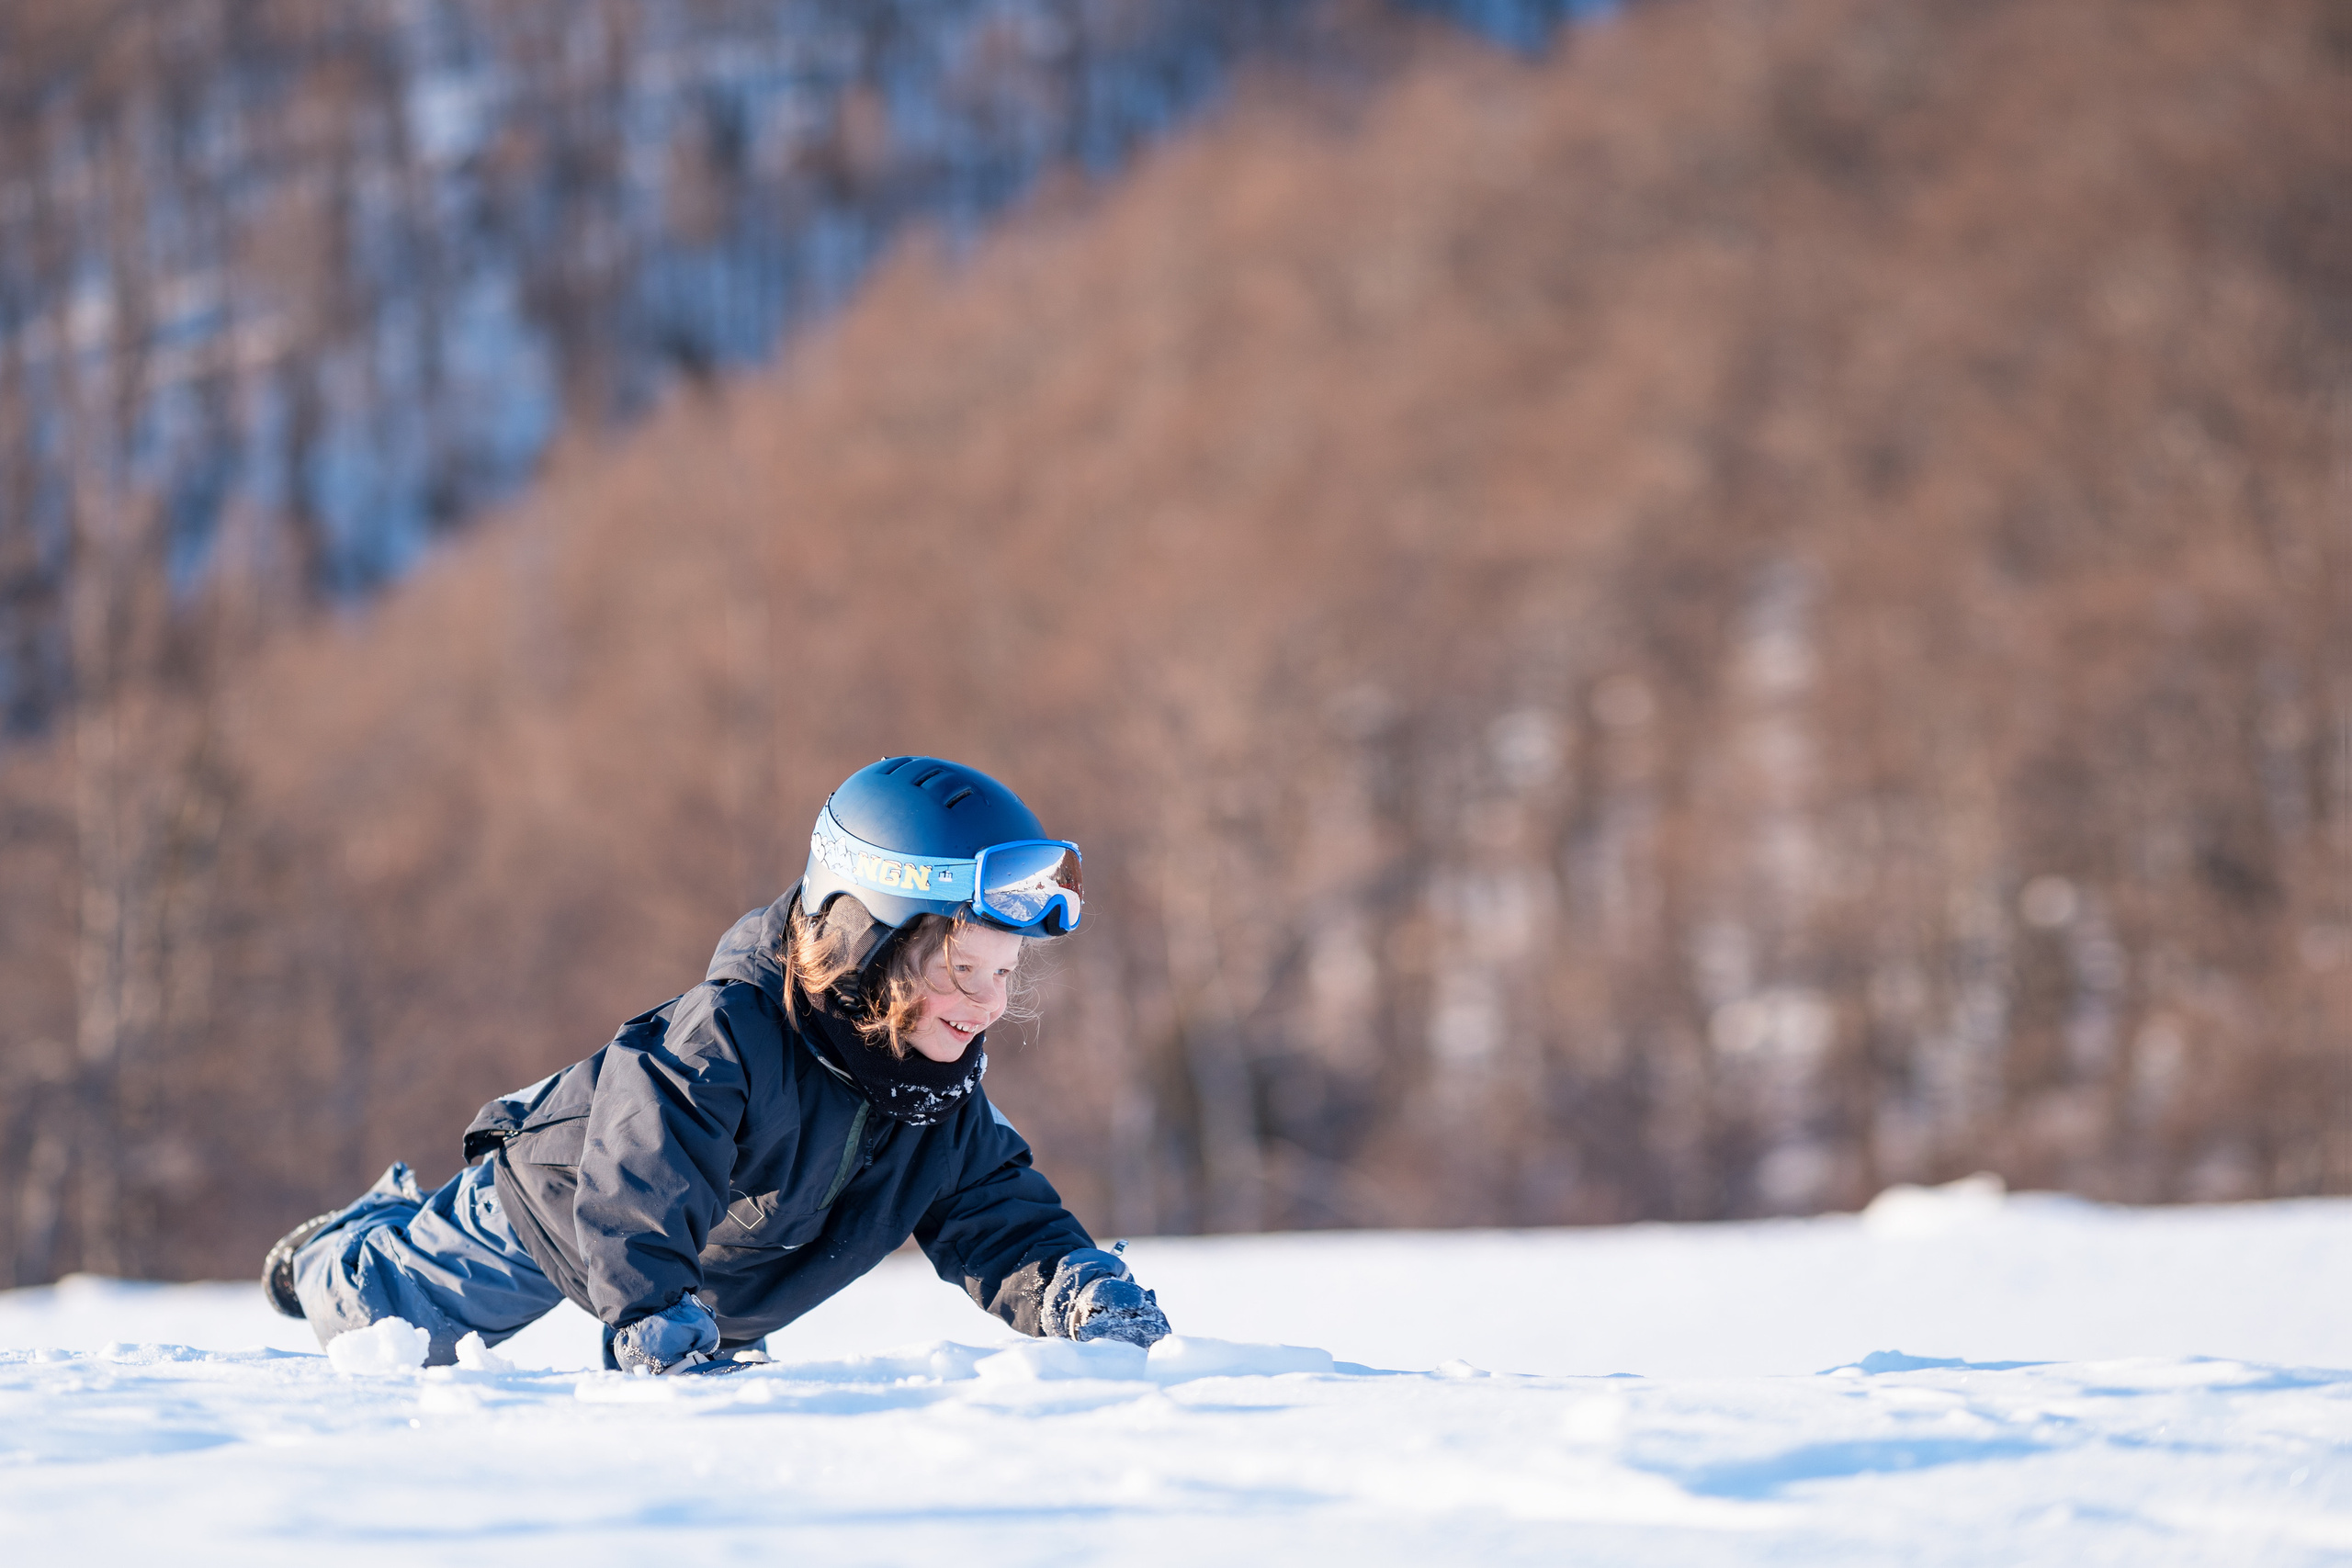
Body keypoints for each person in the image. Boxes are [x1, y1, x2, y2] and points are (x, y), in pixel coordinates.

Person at [262, 757, 1170, 1372]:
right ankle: (336, 1248)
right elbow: (638, 1172)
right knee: (387, 1327)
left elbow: (997, 1218)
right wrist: (653, 1310)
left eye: (1004, 973)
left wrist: (1074, 1291)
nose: (988, 1001)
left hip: (697, 1288)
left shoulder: (940, 1102)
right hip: (552, 1211)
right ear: (866, 944)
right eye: (962, 968)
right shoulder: (728, 1037)